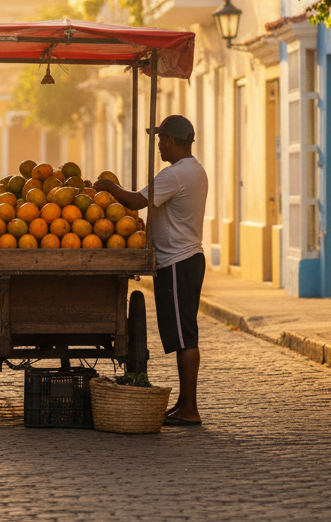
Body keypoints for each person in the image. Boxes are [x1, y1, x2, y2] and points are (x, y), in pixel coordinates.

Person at [92, 115, 208, 427]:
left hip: (177, 262)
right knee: (184, 333)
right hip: (187, 259)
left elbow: (135, 201)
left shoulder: (176, 174)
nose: (158, 146)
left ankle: (190, 408)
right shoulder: (195, 169)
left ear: (171, 141)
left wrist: (107, 186)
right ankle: (184, 404)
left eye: (160, 140)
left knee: (185, 336)